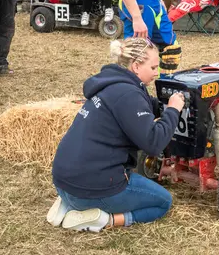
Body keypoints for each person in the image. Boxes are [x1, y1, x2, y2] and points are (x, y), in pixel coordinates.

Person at [48, 37, 185, 232]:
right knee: (163, 202)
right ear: (136, 66)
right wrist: (173, 110)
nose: (157, 73)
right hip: (90, 189)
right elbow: (154, 143)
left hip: (64, 183)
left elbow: (141, 107)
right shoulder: (128, 95)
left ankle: (69, 205)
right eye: (153, 68)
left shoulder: (112, 84)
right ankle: (105, 219)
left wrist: (162, 105)